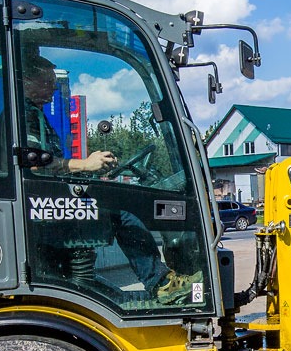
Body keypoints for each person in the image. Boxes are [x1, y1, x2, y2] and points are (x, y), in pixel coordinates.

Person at [20, 51, 196, 305]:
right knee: (123, 213)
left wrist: (90, 168)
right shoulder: (25, 116)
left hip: (45, 204)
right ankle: (161, 283)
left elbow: (46, 162)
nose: (53, 88)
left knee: (117, 204)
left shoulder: (34, 115)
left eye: (53, 82)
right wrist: (84, 164)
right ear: (27, 81)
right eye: (46, 82)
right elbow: (35, 164)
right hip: (41, 209)